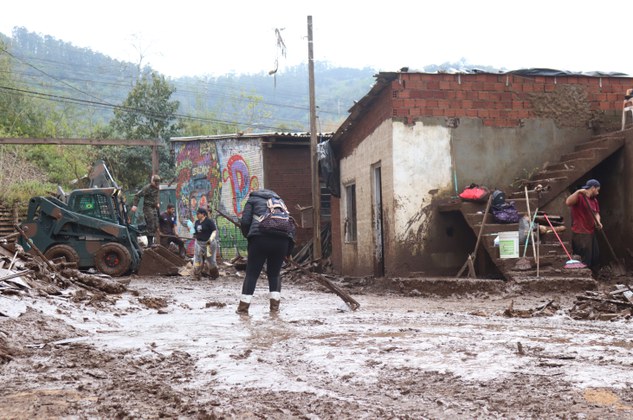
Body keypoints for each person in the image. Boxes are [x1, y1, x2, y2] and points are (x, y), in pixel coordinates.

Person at [236, 189, 295, 315]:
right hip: (282, 241)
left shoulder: (252, 200)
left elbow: (245, 222)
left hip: (260, 239)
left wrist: (249, 236)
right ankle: (274, 310)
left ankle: (243, 309)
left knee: (252, 274)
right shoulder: (280, 201)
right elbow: (289, 224)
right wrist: (288, 251)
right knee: (274, 274)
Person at [565, 178, 602, 271]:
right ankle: (584, 276)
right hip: (581, 232)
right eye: (597, 190)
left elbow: (596, 213)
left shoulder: (594, 200)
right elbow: (568, 202)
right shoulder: (580, 197)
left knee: (595, 255)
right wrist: (578, 192)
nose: (598, 193)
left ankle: (593, 275)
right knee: (585, 257)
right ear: (593, 188)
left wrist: (598, 222)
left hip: (590, 231)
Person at [131, 174, 161, 246]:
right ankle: (150, 243)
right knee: (150, 222)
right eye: (155, 182)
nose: (156, 184)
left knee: (156, 224)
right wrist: (135, 205)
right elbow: (137, 195)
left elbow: (155, 197)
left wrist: (157, 203)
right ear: (152, 181)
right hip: (147, 207)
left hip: (154, 207)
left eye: (157, 183)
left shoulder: (157, 188)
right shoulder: (147, 188)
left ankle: (144, 231)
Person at [192, 207, 219, 280]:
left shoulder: (209, 222)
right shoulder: (197, 222)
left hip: (209, 243)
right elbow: (195, 232)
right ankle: (196, 275)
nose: (197, 215)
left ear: (203, 214)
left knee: (210, 260)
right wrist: (193, 233)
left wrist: (210, 239)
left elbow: (214, 231)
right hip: (199, 243)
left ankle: (214, 274)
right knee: (197, 259)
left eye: (198, 214)